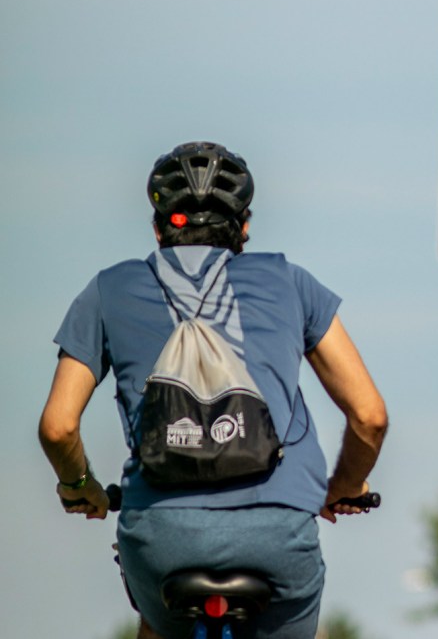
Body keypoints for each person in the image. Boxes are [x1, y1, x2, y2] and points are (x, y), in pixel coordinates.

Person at [38, 142, 389, 639]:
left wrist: (80, 487)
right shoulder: (290, 282)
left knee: (155, 623)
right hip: (278, 535)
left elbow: (58, 427)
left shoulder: (108, 290)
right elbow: (369, 415)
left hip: (162, 538)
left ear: (158, 227)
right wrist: (347, 485)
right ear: (244, 227)